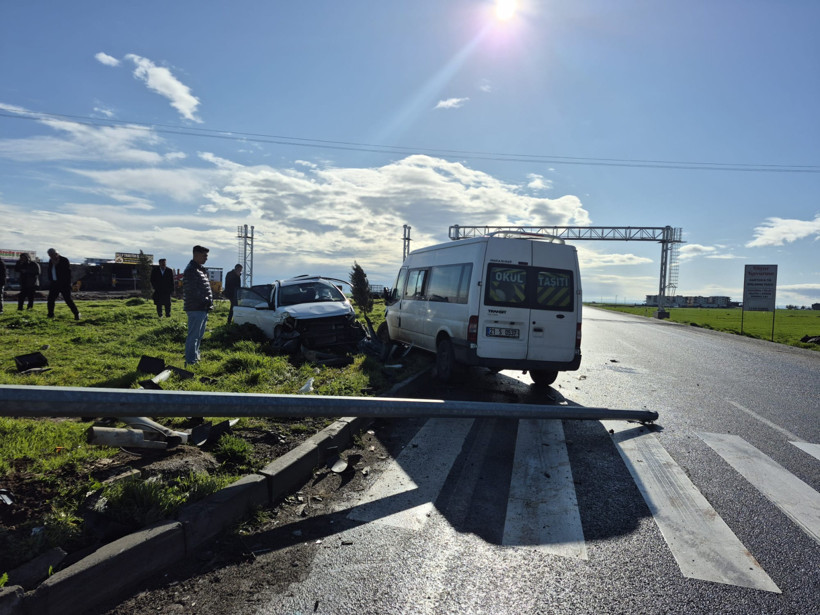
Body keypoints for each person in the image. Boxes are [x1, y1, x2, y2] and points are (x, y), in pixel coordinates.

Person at [183, 245, 213, 365]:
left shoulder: (199, 269)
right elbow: (192, 290)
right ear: (196, 255)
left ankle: (195, 358)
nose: (206, 258)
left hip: (202, 307)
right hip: (195, 307)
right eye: (204, 255)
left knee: (198, 336)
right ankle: (190, 361)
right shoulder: (191, 270)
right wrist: (205, 300)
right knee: (193, 336)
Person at [46, 248, 80, 320]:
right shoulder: (50, 261)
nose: (51, 257)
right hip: (54, 283)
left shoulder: (64, 260)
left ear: (56, 254)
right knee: (51, 300)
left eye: (52, 255)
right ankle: (50, 315)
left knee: (68, 299)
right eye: (50, 255)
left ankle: (76, 313)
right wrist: (51, 280)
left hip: (64, 284)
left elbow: (67, 273)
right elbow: (50, 271)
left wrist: (57, 264)